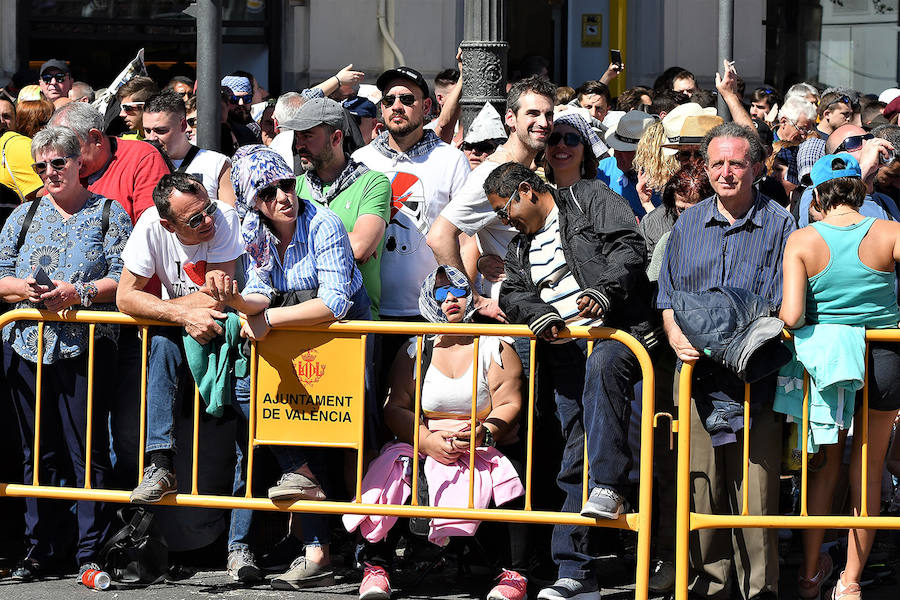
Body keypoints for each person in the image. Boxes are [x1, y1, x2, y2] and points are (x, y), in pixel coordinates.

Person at [485, 162, 658, 600]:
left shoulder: (586, 198)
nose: (506, 222)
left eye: (505, 211)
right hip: (565, 354)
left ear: (526, 190)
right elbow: (512, 292)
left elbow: (629, 246)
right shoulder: (519, 248)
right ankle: (575, 573)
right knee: (571, 459)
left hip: (618, 334)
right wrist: (537, 313)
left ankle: (610, 490)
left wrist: (604, 290)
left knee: (605, 381)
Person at [218, 145, 372, 588]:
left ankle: (364, 555)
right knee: (260, 407)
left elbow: (336, 302)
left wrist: (265, 321)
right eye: (268, 191)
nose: (283, 196)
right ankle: (312, 523)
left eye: (287, 184)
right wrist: (239, 303)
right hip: (290, 338)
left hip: (341, 338)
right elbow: (262, 289)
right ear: (253, 201)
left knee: (346, 447)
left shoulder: (322, 220)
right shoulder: (253, 228)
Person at [657, 122, 796, 599]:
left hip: (755, 373)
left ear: (757, 167)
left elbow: (783, 303)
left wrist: (739, 344)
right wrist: (676, 336)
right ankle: (709, 588)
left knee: (755, 493)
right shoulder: (689, 222)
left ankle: (761, 590)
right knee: (701, 488)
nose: (725, 172)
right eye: (717, 163)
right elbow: (667, 296)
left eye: (736, 163)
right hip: (695, 374)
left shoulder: (781, 225)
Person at [347, 265, 528, 600]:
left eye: (457, 290)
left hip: (480, 443)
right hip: (424, 440)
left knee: (508, 477)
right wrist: (427, 441)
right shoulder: (415, 348)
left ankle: (512, 573)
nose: (450, 300)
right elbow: (396, 407)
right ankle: (377, 568)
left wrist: (483, 434)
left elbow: (509, 403)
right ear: (429, 301)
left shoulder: (497, 346)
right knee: (389, 472)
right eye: (440, 294)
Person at [0, 126, 133, 581]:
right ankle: (41, 549)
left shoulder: (108, 213)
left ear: (80, 162)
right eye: (41, 166)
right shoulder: (22, 215)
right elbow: (0, 276)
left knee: (87, 451)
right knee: (37, 453)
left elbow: (125, 276)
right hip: (26, 345)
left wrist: (78, 292)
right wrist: (24, 289)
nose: (50, 173)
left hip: (87, 346)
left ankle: (89, 551)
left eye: (58, 163)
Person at [779, 152, 900, 600]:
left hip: (828, 365)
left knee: (824, 468)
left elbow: (791, 316)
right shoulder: (890, 232)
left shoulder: (802, 239)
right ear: (861, 189)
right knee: (866, 473)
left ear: (818, 194)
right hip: (884, 356)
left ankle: (810, 576)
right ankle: (849, 583)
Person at [116, 172, 243, 504]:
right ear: (168, 226)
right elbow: (125, 298)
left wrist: (163, 309)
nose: (208, 220)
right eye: (195, 219)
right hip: (180, 331)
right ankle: (160, 466)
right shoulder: (150, 225)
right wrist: (182, 315)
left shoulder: (225, 218)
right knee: (161, 338)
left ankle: (239, 542)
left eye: (209, 208)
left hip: (234, 331)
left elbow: (217, 298)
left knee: (162, 328)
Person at [352, 65, 470, 369]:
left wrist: (461, 297)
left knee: (419, 409)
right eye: (389, 101)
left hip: (431, 312)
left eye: (407, 98)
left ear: (427, 106)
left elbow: (468, 238)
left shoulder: (451, 160)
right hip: (369, 311)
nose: (397, 107)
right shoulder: (360, 161)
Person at [427, 75, 556, 319]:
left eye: (548, 115)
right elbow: (439, 236)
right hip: (517, 310)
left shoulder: (535, 168)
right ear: (510, 118)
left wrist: (481, 261)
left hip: (543, 306)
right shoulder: (491, 175)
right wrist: (474, 298)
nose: (543, 122)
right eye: (532, 114)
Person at [288, 97, 390, 318]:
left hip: (356, 321)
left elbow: (361, 246)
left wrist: (303, 247)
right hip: (301, 317)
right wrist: (344, 247)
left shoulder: (373, 183)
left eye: (307, 136)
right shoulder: (294, 188)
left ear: (336, 138)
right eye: (297, 137)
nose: (299, 145)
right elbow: (279, 252)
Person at [141, 90, 237, 206]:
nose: (152, 138)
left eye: (161, 131)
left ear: (183, 125)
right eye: (147, 130)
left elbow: (230, 217)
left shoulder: (216, 163)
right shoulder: (139, 164)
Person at [601, 109, 659, 218]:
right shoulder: (603, 170)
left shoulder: (664, 178)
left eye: (626, 151)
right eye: (616, 147)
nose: (617, 153)